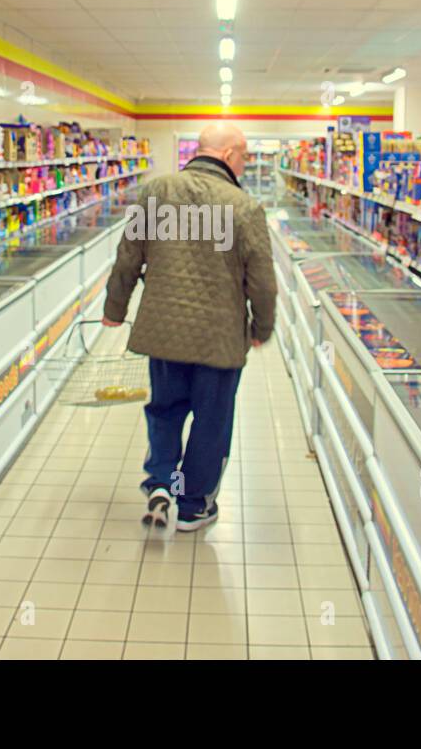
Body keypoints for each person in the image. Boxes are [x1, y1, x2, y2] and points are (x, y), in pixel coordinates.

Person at [102, 123, 276, 533]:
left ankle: (161, 481)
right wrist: (262, 327)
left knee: (165, 409)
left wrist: (115, 307)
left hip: (164, 332)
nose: (246, 162)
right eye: (245, 154)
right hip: (220, 338)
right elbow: (263, 281)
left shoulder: (156, 193)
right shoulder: (244, 207)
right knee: (211, 420)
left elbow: (128, 257)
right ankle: (194, 505)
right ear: (230, 154)